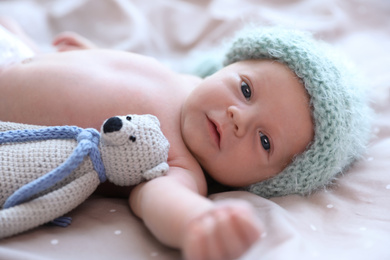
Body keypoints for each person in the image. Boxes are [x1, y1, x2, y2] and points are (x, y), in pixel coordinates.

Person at [0, 17, 370, 260]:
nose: (238, 118)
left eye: (265, 141)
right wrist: (82, 54)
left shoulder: (177, 164)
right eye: (245, 89)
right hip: (20, 55)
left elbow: (161, 201)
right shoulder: (185, 82)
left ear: (266, 182)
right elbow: (120, 72)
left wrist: (196, 221)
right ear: (231, 65)